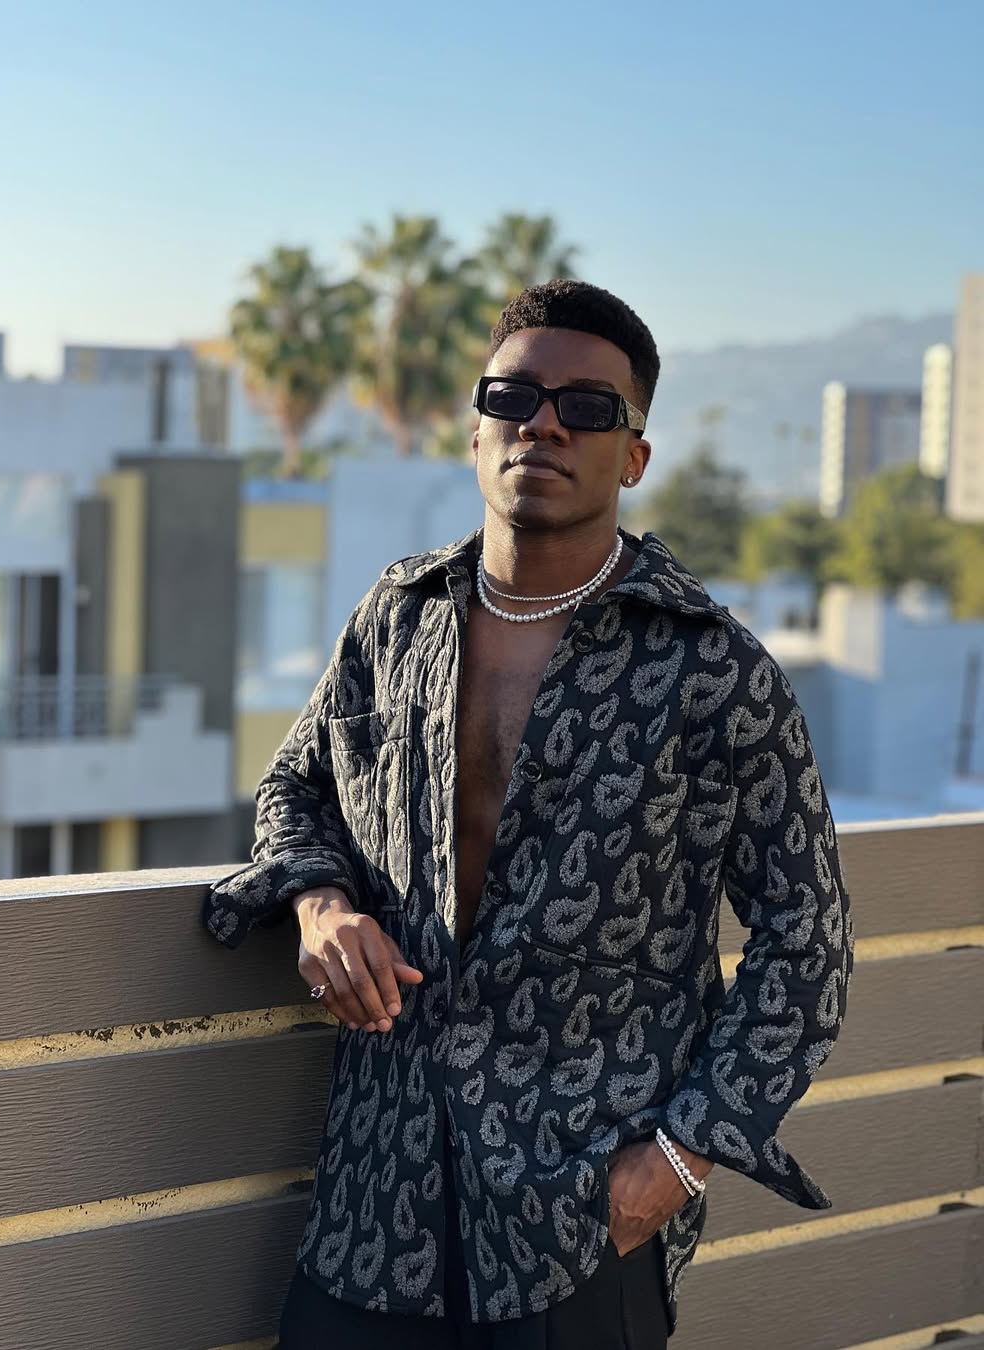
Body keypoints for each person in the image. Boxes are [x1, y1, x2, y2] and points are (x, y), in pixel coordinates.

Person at [203, 279, 854, 1349]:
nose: (542, 424)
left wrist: (681, 1157)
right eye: (512, 397)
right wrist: (319, 905)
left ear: (633, 456)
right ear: (476, 430)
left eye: (586, 408)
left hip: (576, 1222)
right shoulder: (396, 619)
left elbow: (808, 943)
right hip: (376, 1203)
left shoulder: (713, 671)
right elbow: (295, 787)